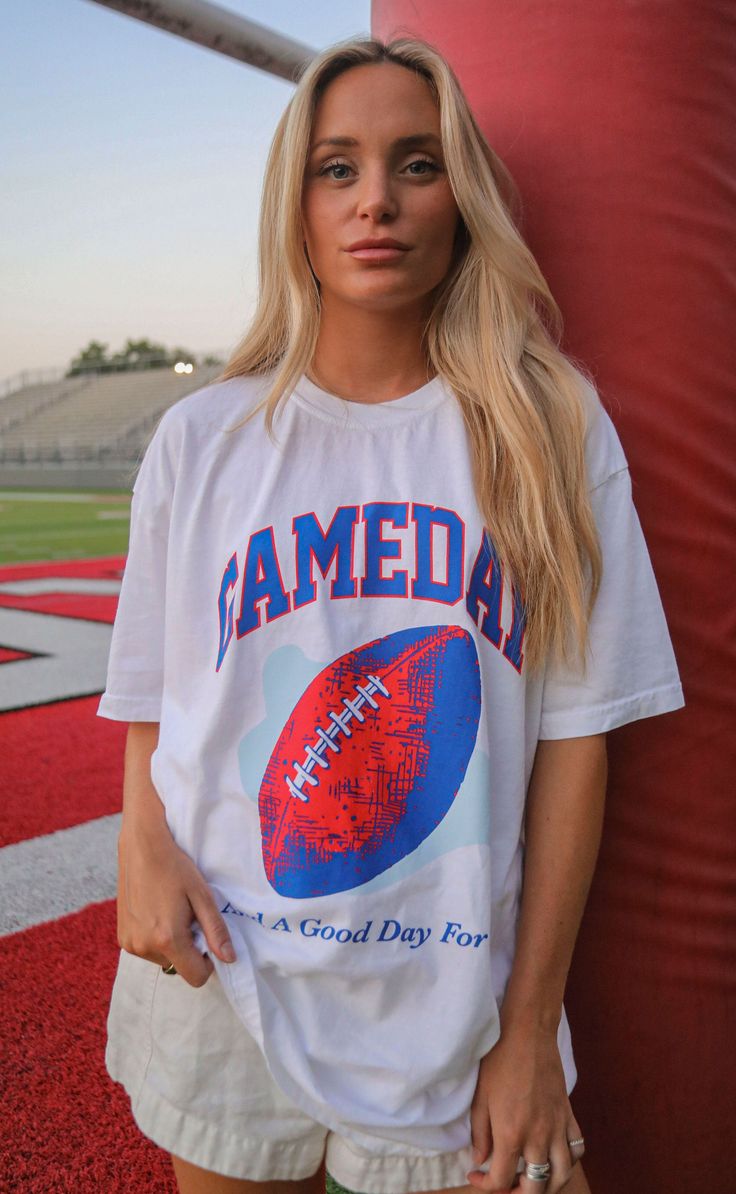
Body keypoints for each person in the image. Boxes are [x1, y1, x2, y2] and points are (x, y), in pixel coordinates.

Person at [97, 34, 685, 1194]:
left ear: (462, 196)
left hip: (453, 1002)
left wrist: (528, 1033)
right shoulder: (202, 437)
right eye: (336, 168)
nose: (376, 200)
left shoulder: (548, 427)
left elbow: (576, 745)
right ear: (296, 204)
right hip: (226, 975)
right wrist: (138, 841)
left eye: (417, 164)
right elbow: (154, 694)